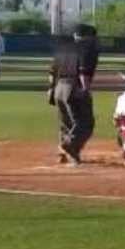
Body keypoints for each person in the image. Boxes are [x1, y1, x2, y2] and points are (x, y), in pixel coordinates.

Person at [48, 24, 99, 166]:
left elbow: (52, 72)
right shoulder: (87, 49)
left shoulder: (63, 48)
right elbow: (83, 72)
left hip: (59, 87)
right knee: (85, 123)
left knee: (66, 122)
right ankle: (69, 145)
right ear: (88, 37)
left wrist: (51, 89)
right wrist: (86, 90)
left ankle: (63, 153)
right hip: (74, 87)